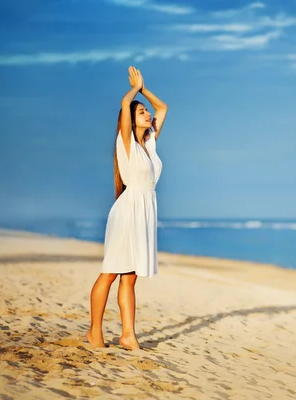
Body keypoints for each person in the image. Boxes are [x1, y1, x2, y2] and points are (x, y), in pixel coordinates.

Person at [86, 66, 168, 350]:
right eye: (141, 112)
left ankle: (127, 335)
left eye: (146, 112)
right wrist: (135, 90)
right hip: (127, 212)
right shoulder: (127, 142)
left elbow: (163, 107)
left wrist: (145, 90)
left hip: (144, 212)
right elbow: (124, 104)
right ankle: (94, 331)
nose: (148, 114)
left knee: (130, 278)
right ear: (130, 121)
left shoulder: (150, 144)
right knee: (110, 272)